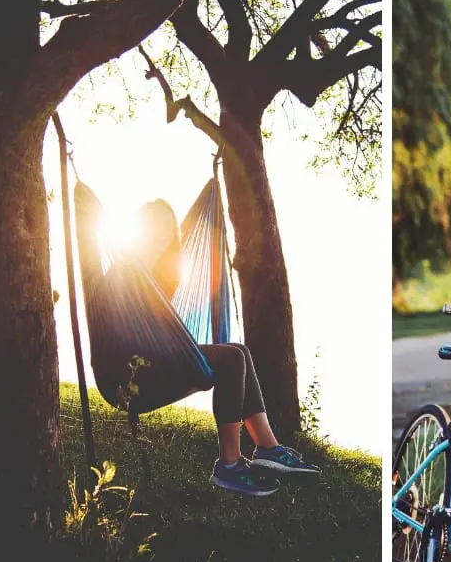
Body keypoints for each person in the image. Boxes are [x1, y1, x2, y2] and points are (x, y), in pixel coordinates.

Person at [134, 199, 320, 497]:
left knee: (240, 351)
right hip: (142, 365)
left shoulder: (161, 273)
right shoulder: (129, 270)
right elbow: (138, 322)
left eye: (167, 228)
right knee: (231, 359)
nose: (162, 234)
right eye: (154, 227)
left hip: (163, 353)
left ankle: (267, 447)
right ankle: (228, 465)